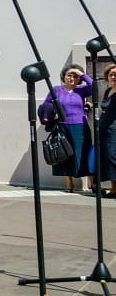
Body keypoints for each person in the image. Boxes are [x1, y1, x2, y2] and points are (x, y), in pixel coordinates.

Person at [39, 64, 94, 192]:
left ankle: (93, 183)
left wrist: (82, 74)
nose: (72, 78)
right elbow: (46, 105)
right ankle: (69, 183)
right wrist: (53, 113)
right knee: (65, 153)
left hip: (80, 127)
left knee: (84, 153)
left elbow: (94, 86)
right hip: (62, 126)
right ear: (64, 76)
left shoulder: (81, 90)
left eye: (75, 76)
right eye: (69, 75)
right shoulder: (56, 90)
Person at [98, 63, 116, 197]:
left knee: (113, 157)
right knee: (108, 159)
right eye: (111, 74)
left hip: (114, 130)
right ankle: (114, 188)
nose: (113, 77)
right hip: (104, 130)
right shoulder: (107, 91)